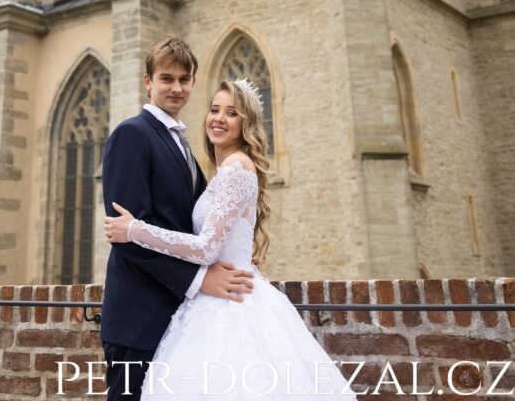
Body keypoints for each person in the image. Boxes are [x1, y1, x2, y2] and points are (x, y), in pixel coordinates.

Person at [105, 77, 356, 400]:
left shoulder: (236, 169)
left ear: (246, 123)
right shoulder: (223, 170)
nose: (219, 118)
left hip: (229, 302)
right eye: (214, 110)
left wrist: (134, 229)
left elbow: (206, 247)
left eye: (232, 113)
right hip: (215, 297)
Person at [100, 38, 256, 401]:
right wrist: (201, 279)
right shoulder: (132, 135)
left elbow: (195, 227)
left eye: (184, 80)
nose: (176, 88)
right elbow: (128, 238)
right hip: (139, 318)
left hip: (179, 318)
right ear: (148, 81)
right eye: (166, 78)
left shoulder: (184, 146)